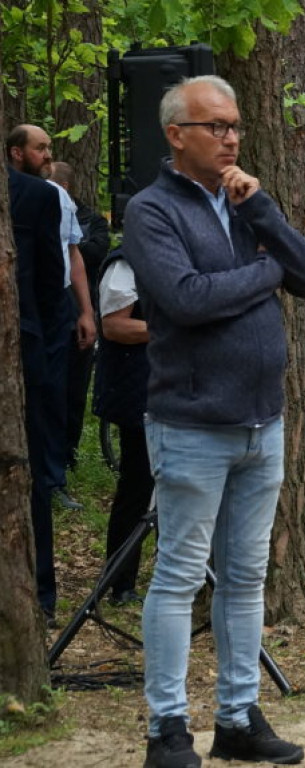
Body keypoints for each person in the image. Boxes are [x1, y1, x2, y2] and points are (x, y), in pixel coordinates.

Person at [122, 74, 305, 768]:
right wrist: (266, 277)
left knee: (244, 578)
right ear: (177, 135)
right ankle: (167, 729)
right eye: (215, 126)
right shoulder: (150, 211)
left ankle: (237, 718)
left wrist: (263, 209)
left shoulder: (245, 204)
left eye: (235, 125)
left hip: (262, 422)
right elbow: (184, 300)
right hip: (192, 422)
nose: (231, 137)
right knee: (179, 575)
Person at [6, 124, 96, 511]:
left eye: (48, 147)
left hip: (56, 303)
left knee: (54, 391)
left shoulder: (56, 195)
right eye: (40, 148)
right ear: (16, 152)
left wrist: (86, 311)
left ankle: (52, 478)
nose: (48, 155)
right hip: (20, 302)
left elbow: (71, 253)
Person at [7, 152, 65, 626]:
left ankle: (40, 592)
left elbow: (51, 284)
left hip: (23, 353)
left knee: (30, 473)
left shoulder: (35, 196)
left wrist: (40, 353)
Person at [92, 249, 153, 606]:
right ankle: (120, 580)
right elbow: (115, 325)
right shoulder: (126, 263)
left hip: (173, 390)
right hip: (139, 390)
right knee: (138, 483)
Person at [50, 161, 110, 474]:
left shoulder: (92, 220)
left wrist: (68, 245)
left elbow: (95, 251)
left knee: (75, 387)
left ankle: (69, 453)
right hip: (53, 311)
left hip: (82, 310)